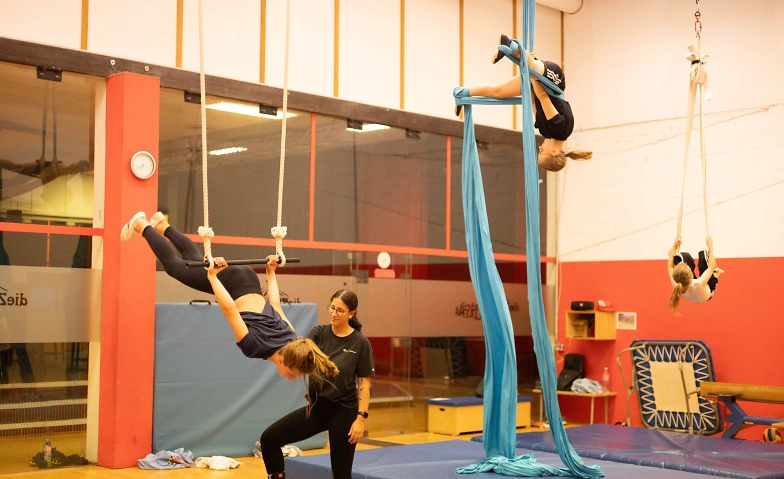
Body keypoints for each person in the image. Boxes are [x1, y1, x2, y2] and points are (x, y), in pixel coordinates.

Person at [119, 211, 338, 381]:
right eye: (293, 374)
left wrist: (270, 273)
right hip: (232, 285)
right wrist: (213, 277)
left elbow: (276, 305)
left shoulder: (292, 339)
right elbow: (230, 309)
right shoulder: (255, 348)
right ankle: (142, 225)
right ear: (282, 362)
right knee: (174, 267)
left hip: (249, 279)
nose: (291, 379)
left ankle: (162, 225)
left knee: (194, 260)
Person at [259, 289, 375, 479]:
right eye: (332, 307)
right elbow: (297, 352)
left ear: (351, 313)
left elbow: (364, 383)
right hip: (317, 408)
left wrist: (361, 419)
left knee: (341, 474)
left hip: (344, 413)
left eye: (340, 310)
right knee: (269, 439)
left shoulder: (360, 343)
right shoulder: (319, 333)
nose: (333, 313)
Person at [454, 34, 592, 171]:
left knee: (499, 92)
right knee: (533, 67)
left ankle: (462, 93)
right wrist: (531, 73)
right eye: (542, 151)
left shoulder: (546, 132)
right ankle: (511, 45)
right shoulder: (560, 130)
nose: (540, 147)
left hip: (537, 84)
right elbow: (543, 97)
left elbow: (534, 103)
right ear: (554, 152)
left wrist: (529, 78)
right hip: (553, 81)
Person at [668, 236, 724, 315]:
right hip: (705, 294)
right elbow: (711, 268)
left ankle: (674, 256)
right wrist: (710, 246)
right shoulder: (698, 283)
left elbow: (670, 266)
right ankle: (717, 273)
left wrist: (674, 246)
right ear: (691, 277)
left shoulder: (675, 280)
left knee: (684, 257)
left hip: (692, 293)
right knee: (705, 257)